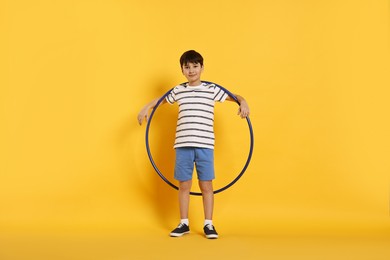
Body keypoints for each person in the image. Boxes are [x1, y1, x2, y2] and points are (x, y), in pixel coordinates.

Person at [137, 50, 250, 239]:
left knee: (206, 186)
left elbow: (235, 96)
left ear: (202, 68)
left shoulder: (211, 89)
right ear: (182, 70)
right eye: (187, 67)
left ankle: (209, 224)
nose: (191, 70)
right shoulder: (179, 90)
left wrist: (244, 102)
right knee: (184, 186)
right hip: (183, 145)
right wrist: (146, 107)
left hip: (205, 145)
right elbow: (161, 101)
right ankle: (184, 223)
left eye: (195, 66)